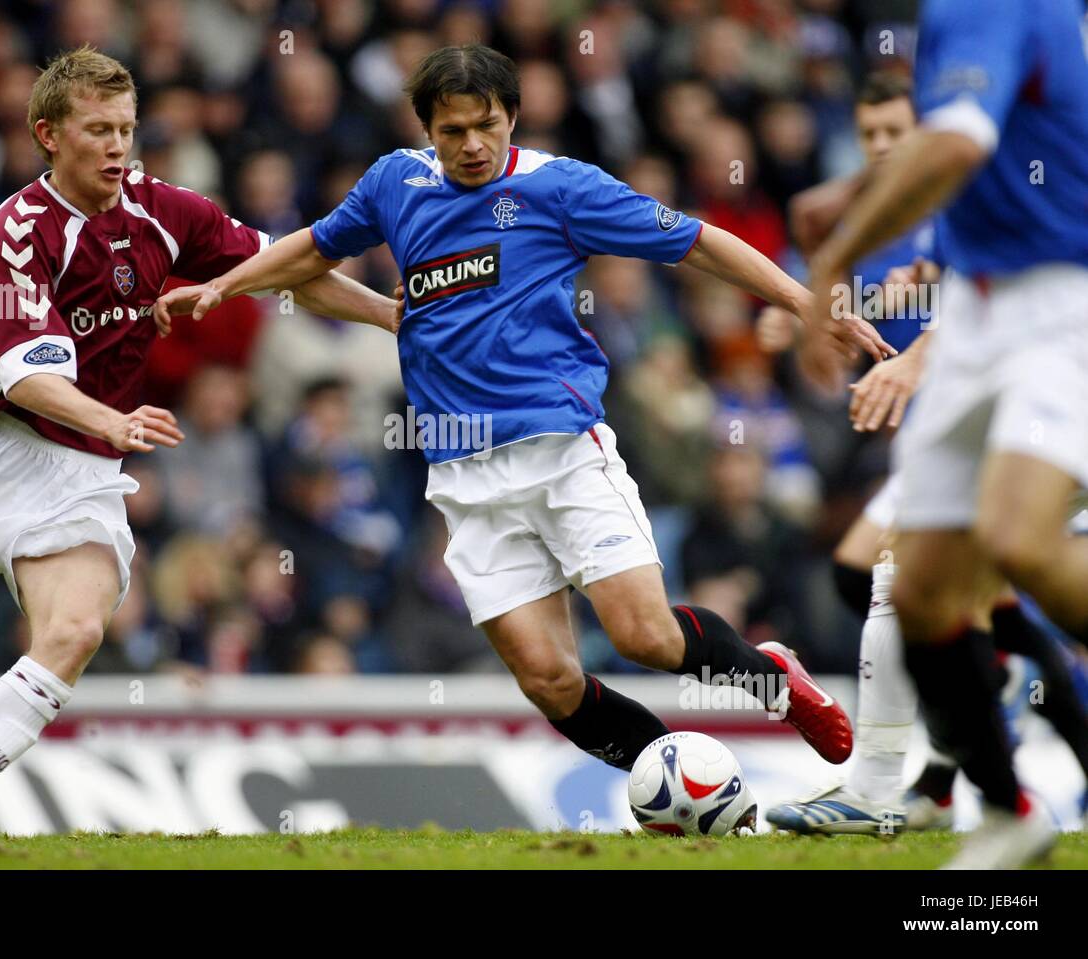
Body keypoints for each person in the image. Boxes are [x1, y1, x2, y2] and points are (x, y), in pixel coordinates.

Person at [158, 44, 897, 783]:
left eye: (487, 125)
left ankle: (772, 676)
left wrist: (805, 303)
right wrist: (227, 285)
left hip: (561, 445)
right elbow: (314, 250)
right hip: (462, 471)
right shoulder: (395, 183)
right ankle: (673, 784)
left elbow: (697, 243)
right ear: (427, 130)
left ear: (512, 115)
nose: (473, 145)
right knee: (550, 680)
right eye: (453, 131)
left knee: (646, 637)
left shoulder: (561, 187)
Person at [0, 45, 395, 838]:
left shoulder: (163, 210)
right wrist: (113, 420)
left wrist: (392, 317)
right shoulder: (17, 230)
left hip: (82, 470)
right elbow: (25, 375)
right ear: (49, 133)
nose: (118, 147)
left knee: (72, 632)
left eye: (128, 130)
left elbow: (286, 266)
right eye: (100, 130)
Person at [802, 0, 1088, 868]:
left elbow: (959, 143)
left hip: (1061, 298)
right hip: (975, 305)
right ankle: (1006, 808)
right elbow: (975, 152)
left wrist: (833, 257)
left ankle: (907, 788)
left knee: (1017, 538)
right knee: (915, 587)